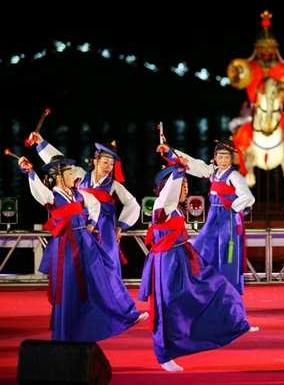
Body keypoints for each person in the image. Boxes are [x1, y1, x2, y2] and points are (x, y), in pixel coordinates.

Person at [138, 159, 258, 372]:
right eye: (182, 185)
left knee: (218, 286)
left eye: (186, 185)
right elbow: (169, 194)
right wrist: (177, 173)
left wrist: (181, 170)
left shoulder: (176, 210)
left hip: (184, 259)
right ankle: (165, 355)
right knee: (168, 308)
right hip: (167, 264)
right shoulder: (162, 205)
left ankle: (234, 323)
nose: (186, 189)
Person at [16, 154, 146, 341]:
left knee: (106, 271)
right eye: (69, 173)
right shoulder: (51, 196)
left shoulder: (77, 194)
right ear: (60, 177)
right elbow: (37, 189)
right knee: (70, 286)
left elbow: (95, 205)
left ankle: (124, 312)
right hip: (67, 246)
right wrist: (29, 171)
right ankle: (70, 329)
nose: (73, 176)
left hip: (85, 240)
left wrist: (91, 223)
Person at [30, 132, 140, 277]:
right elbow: (61, 161)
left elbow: (132, 204)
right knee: (82, 261)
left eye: (112, 163)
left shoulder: (114, 185)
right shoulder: (80, 176)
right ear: (96, 161)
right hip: (83, 224)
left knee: (108, 260)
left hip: (105, 228)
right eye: (105, 162)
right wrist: (41, 142)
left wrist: (120, 226)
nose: (109, 167)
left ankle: (111, 295)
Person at [157, 139, 254, 295]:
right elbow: (195, 165)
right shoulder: (214, 172)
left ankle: (228, 289)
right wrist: (170, 151)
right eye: (220, 157)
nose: (223, 161)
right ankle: (208, 282)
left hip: (227, 218)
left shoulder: (234, 175)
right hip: (213, 215)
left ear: (232, 159)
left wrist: (232, 207)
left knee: (225, 252)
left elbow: (248, 197)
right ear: (215, 157)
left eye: (227, 157)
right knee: (202, 246)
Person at [226, 10, 284, 170]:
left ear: (275, 49)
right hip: (253, 111)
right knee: (240, 135)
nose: (266, 53)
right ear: (257, 50)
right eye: (262, 49)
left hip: (279, 111)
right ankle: (239, 169)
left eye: (270, 49)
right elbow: (237, 78)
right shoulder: (249, 67)